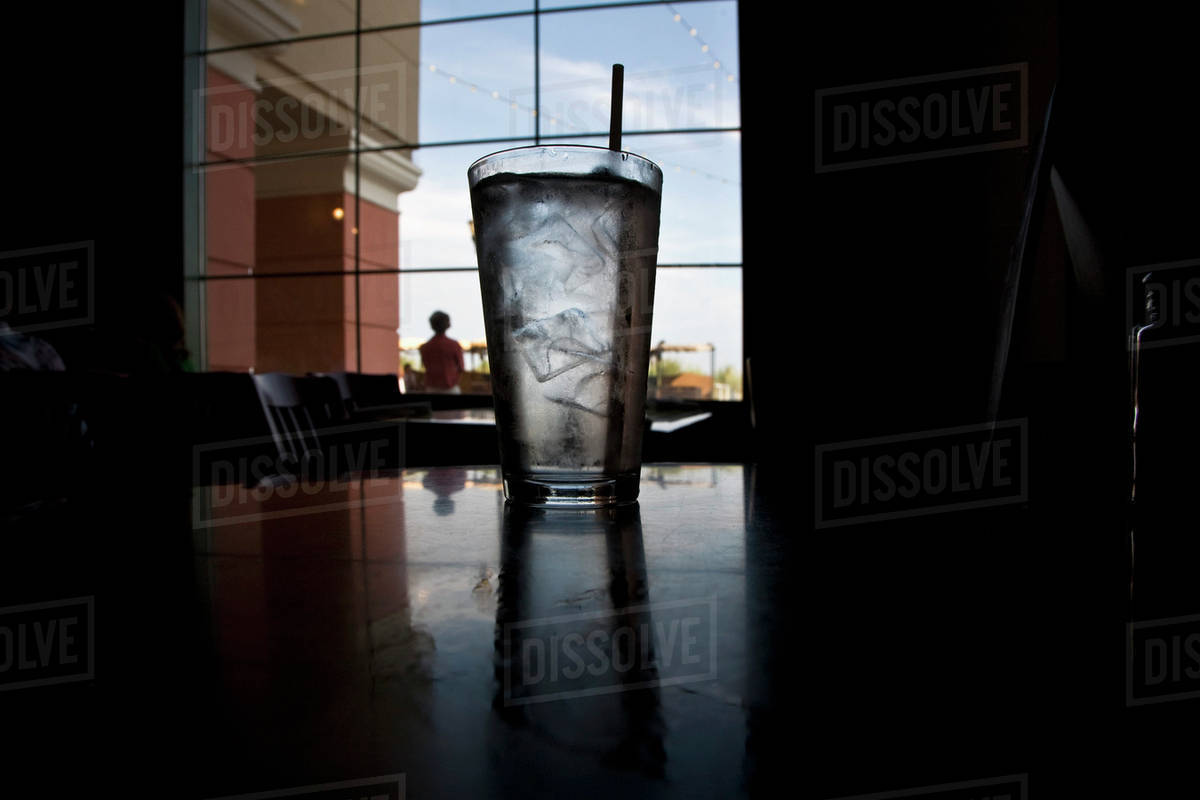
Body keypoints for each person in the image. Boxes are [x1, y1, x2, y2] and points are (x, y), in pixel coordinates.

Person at [418, 310, 464, 394]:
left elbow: (425, 366)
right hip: (451, 388)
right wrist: (454, 381)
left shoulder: (425, 347)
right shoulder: (454, 345)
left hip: (431, 388)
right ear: (447, 325)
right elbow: (461, 368)